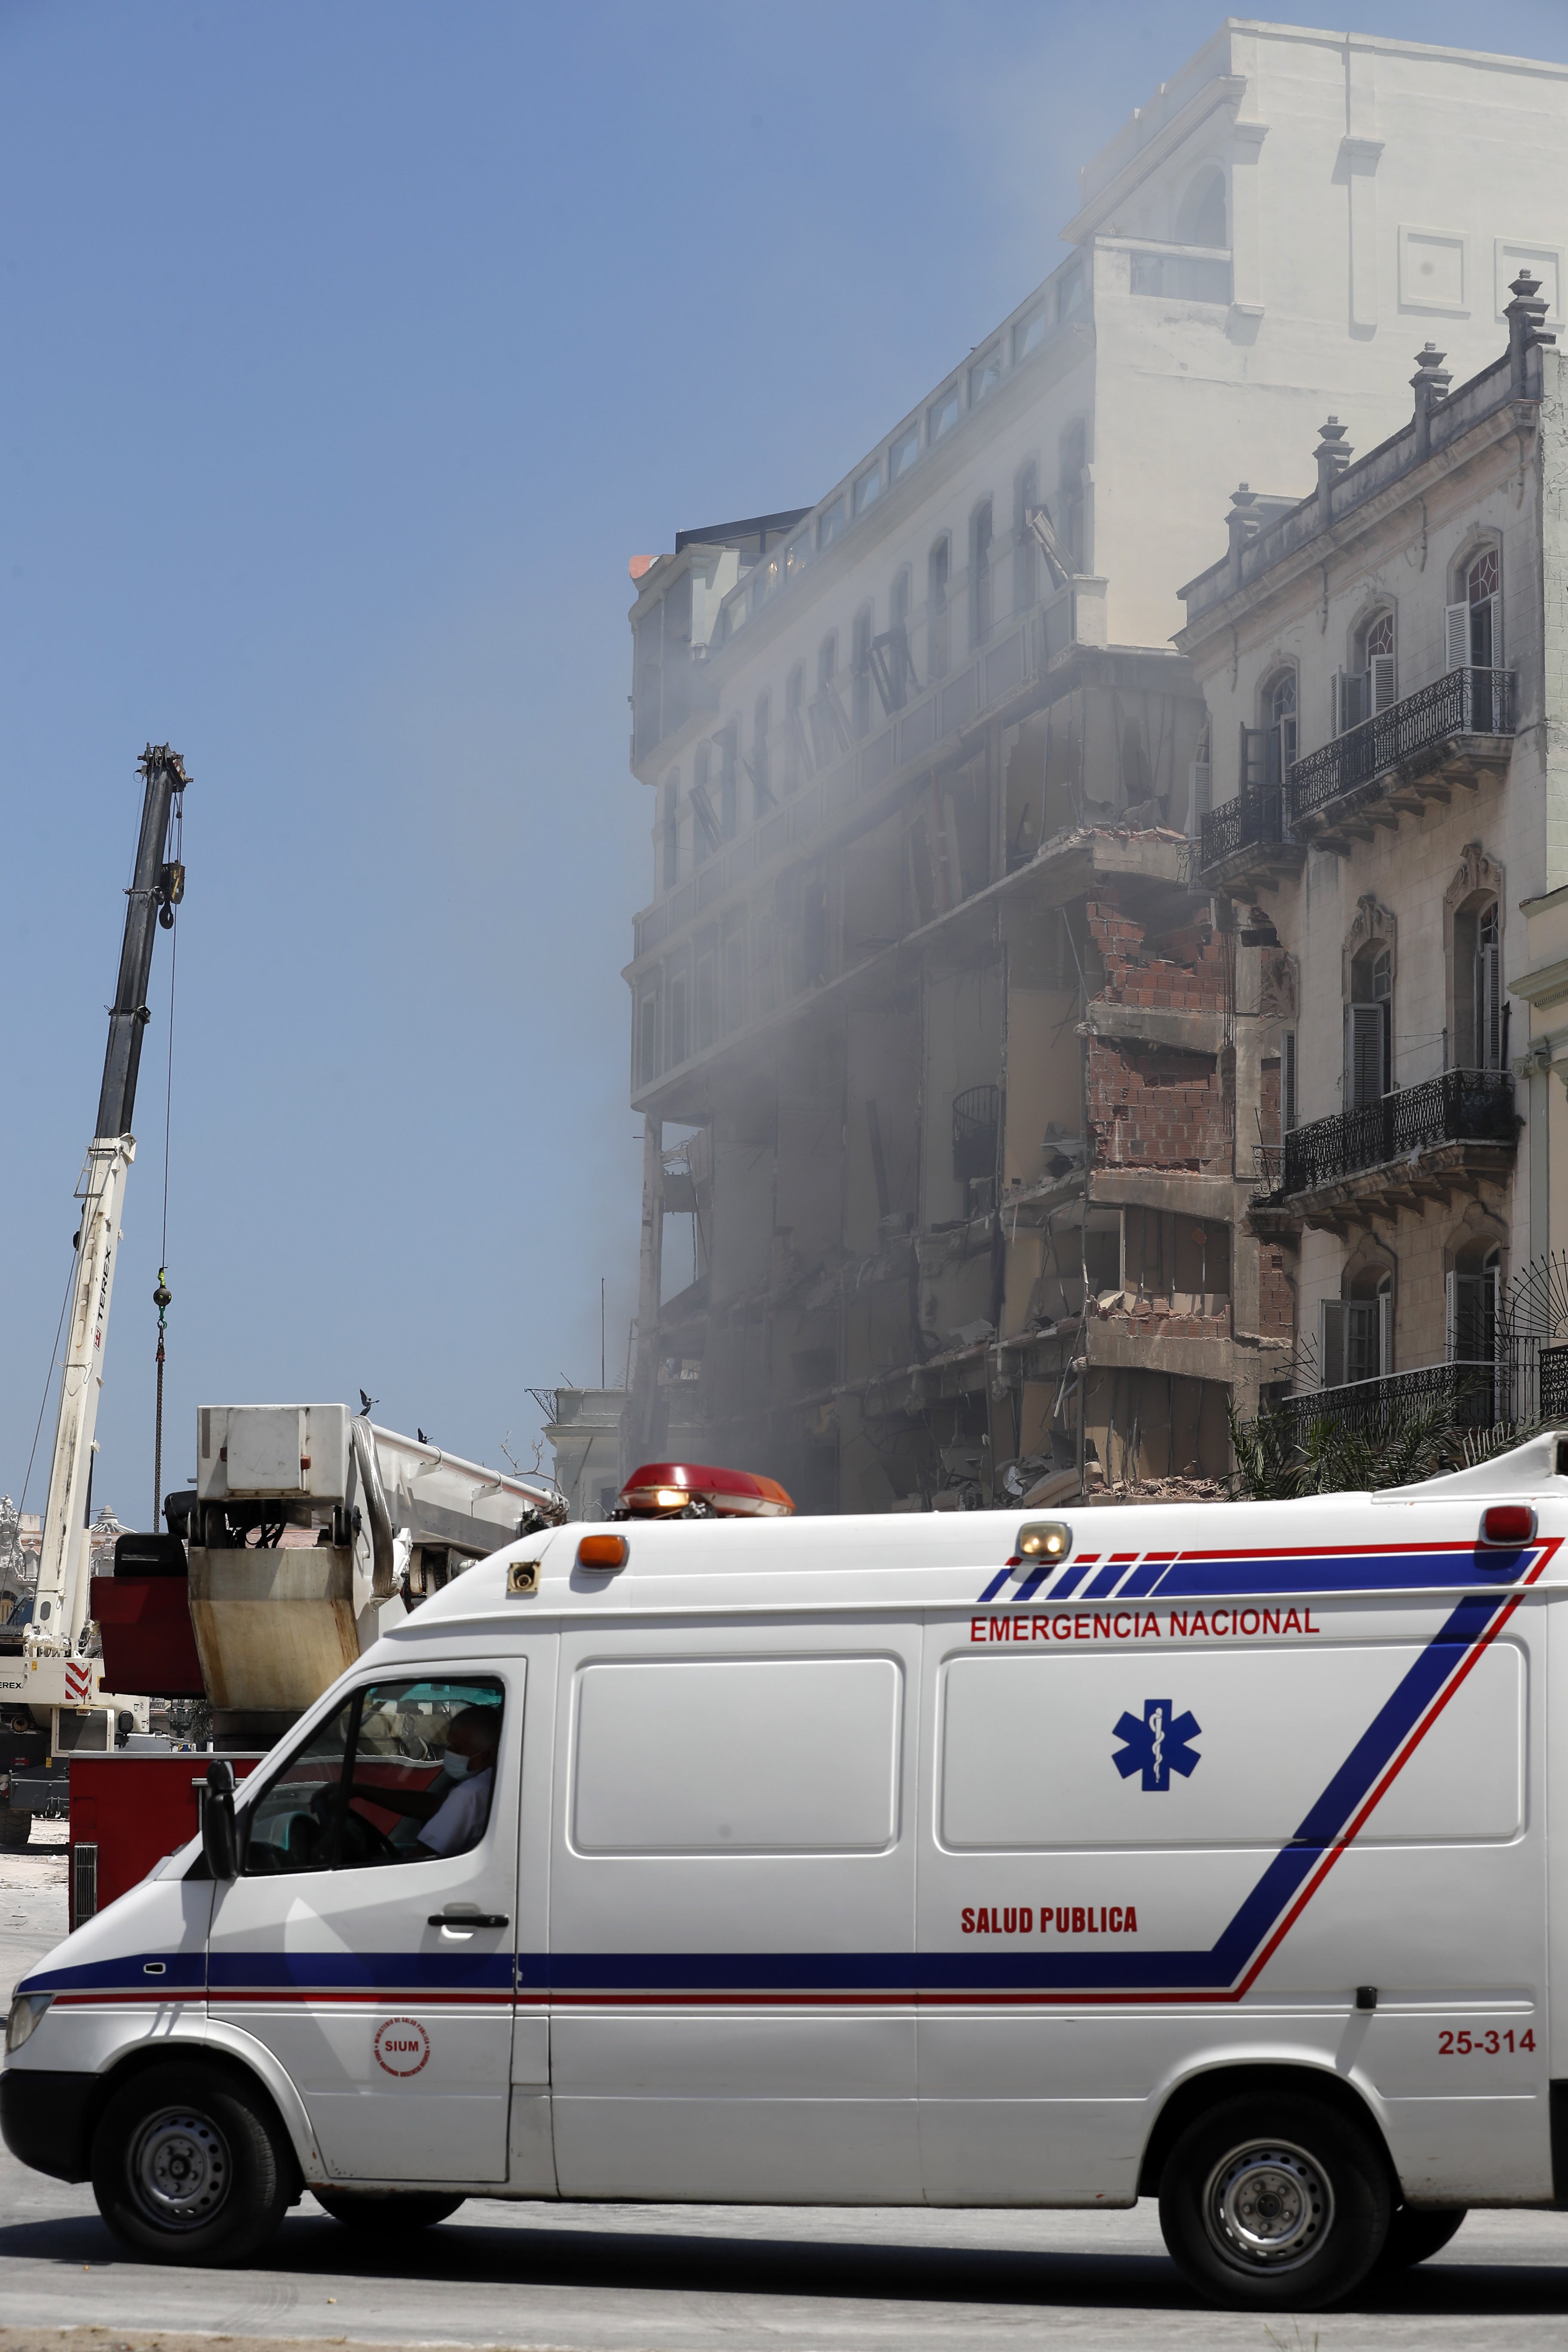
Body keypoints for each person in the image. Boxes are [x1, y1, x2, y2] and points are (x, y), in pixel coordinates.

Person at [346, 1705, 500, 1860]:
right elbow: (436, 1804)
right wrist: (361, 1791)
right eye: (450, 1745)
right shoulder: (491, 1784)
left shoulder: (471, 1794)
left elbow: (422, 1859)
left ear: (488, 1755)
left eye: (458, 1749)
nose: (450, 1753)